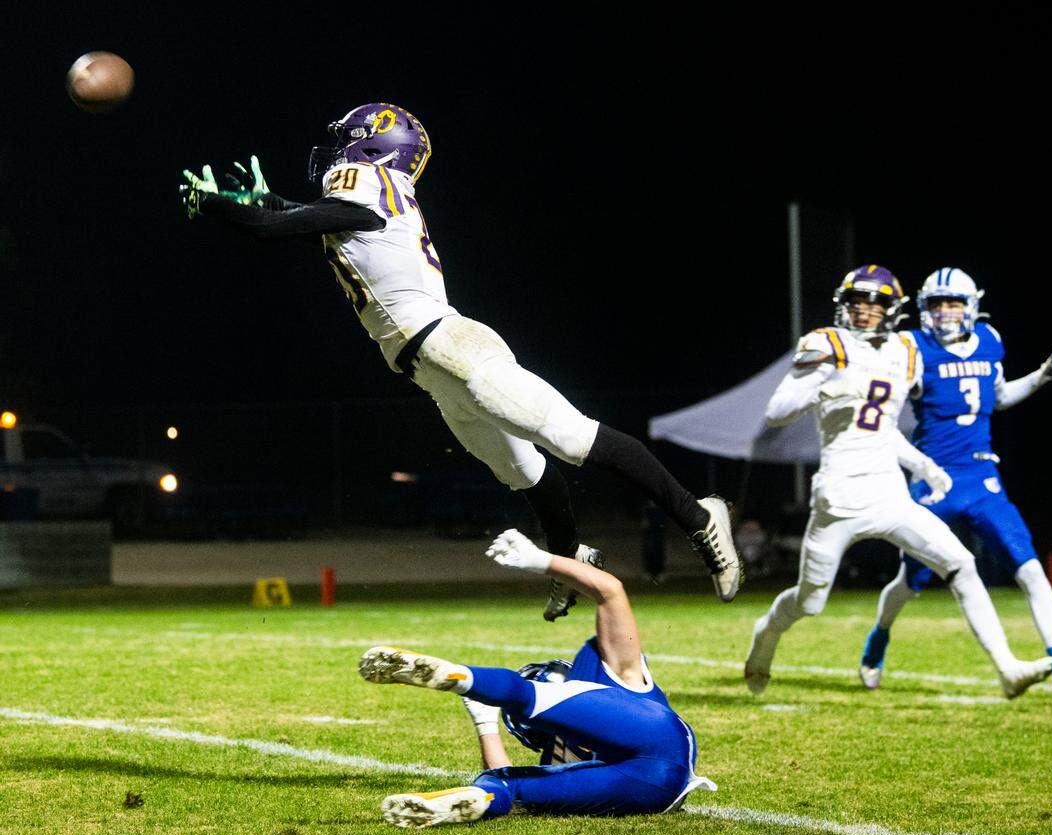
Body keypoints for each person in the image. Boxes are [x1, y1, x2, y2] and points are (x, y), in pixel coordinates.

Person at [178, 102, 741, 619]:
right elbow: (302, 217)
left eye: (345, 142)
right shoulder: (367, 196)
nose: (334, 153)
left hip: (453, 346)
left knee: (571, 439)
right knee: (523, 472)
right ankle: (574, 562)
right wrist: (262, 202)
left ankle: (698, 517)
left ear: (375, 148)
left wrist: (226, 207)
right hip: (430, 366)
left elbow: (270, 229)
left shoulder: (371, 186)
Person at [743, 265, 1052, 699]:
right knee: (809, 601)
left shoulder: (902, 354)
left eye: (876, 303)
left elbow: (883, 428)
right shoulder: (826, 344)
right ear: (843, 306)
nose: (865, 311)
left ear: (893, 310)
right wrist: (818, 376)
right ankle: (765, 638)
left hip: (889, 493)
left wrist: (924, 467)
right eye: (857, 302)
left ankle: (1007, 669)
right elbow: (778, 411)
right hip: (839, 499)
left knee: (962, 564)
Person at [357, 528, 715, 828]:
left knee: (505, 786)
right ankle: (464, 678)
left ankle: (467, 690)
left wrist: (486, 725)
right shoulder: (614, 674)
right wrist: (539, 560)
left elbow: (506, 774)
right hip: (663, 768)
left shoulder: (555, 756)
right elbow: (610, 590)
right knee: (525, 697)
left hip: (641, 793)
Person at [858, 267, 1052, 696]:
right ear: (924, 308)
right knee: (910, 582)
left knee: (1030, 568)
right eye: (937, 304)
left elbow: (998, 396)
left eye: (953, 303)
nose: (946, 312)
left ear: (972, 307)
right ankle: (879, 636)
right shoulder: (911, 347)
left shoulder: (990, 340)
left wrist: (1042, 375)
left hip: (983, 476)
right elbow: (884, 412)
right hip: (935, 481)